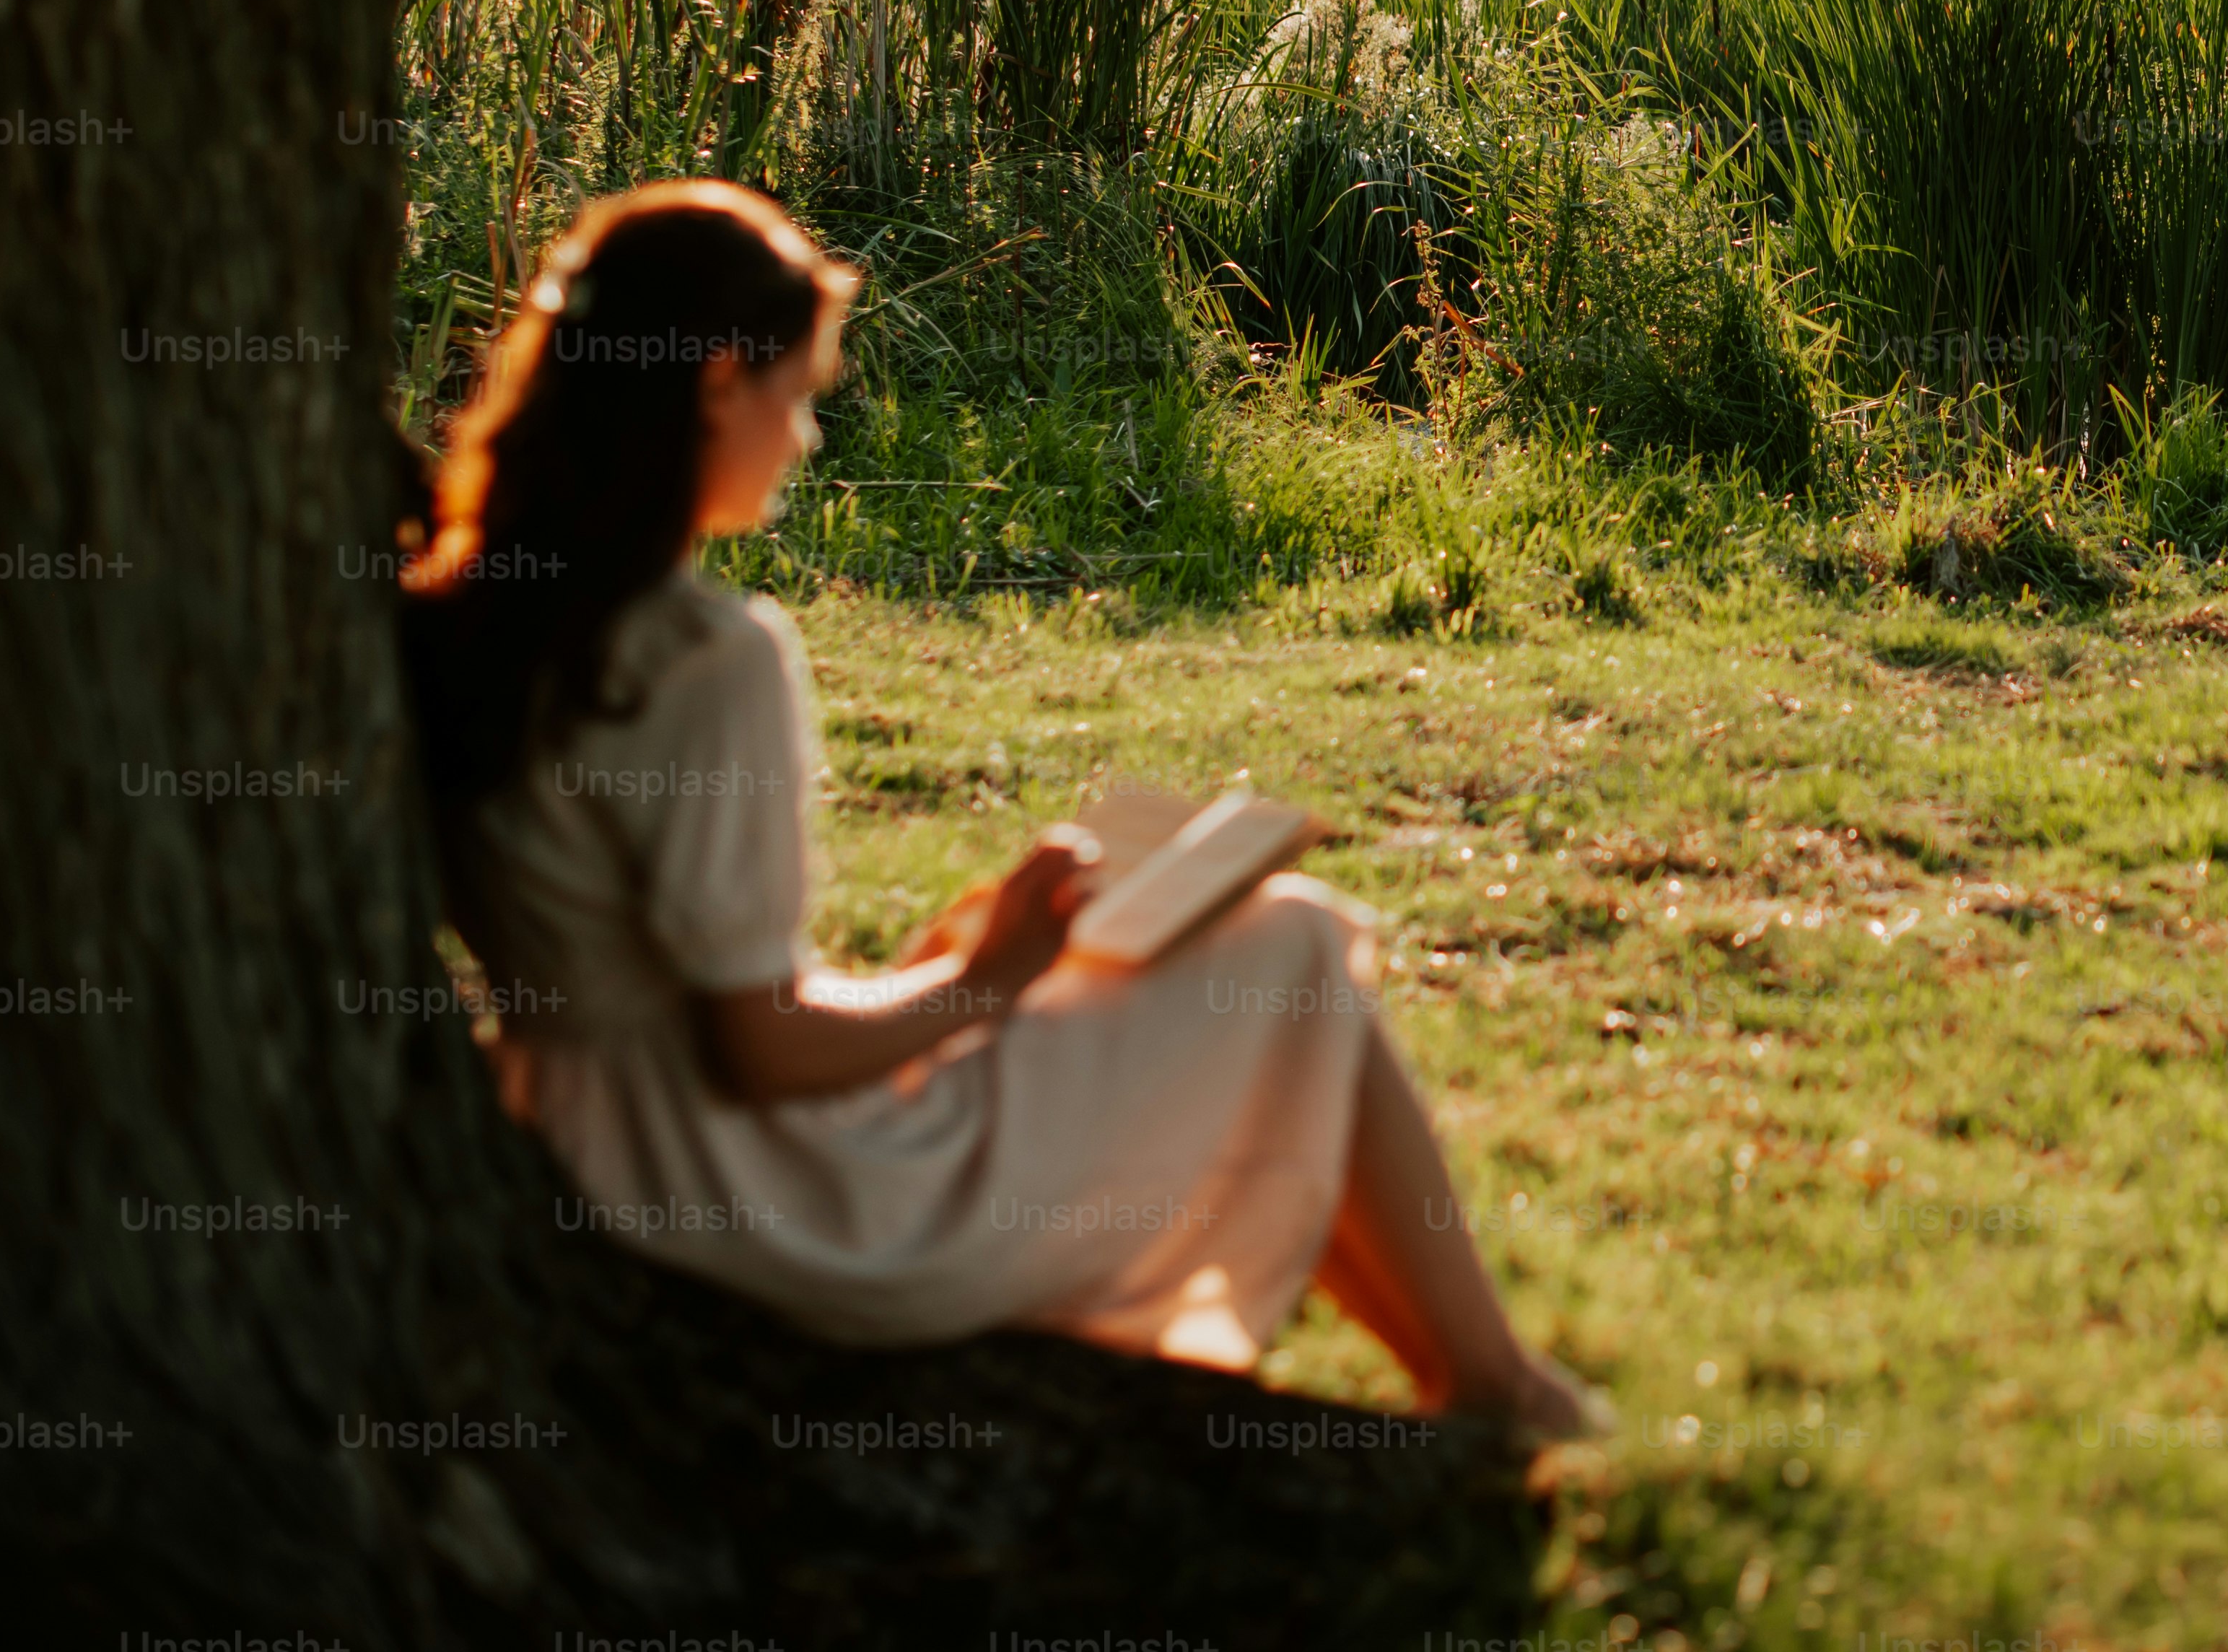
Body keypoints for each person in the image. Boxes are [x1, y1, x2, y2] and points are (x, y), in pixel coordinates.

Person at [401, 180, 1598, 1436]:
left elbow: (676, 990)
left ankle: (1478, 1386)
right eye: (798, 395)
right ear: (712, 382)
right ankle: (1495, 1389)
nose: (804, 438)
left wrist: (950, 967)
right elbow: (756, 1053)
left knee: (1261, 962)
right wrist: (991, 977)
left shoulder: (471, 620)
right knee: (1290, 943)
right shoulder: (704, 660)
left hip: (596, 1154)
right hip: (785, 1199)